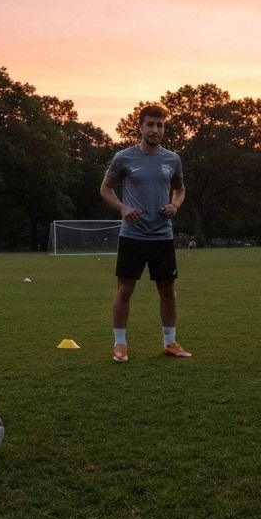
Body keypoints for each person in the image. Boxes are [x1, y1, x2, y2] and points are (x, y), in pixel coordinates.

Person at [99, 104, 190, 363]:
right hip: (133, 235)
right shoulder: (124, 158)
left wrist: (175, 204)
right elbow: (105, 188)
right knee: (125, 289)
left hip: (162, 235)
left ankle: (170, 342)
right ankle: (120, 345)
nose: (155, 129)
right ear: (140, 127)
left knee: (167, 290)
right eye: (150, 124)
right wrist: (123, 207)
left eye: (160, 125)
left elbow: (180, 189)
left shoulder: (172, 159)